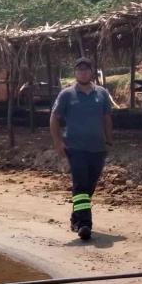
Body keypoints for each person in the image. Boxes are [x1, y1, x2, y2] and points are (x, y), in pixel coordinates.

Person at [50, 57, 113, 240]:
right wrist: (58, 142)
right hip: (75, 148)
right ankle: (84, 224)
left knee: (90, 186)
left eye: (86, 70)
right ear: (75, 73)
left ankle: (76, 216)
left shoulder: (101, 93)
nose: (83, 72)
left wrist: (109, 138)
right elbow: (54, 118)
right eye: (79, 70)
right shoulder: (66, 94)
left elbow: (107, 117)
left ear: (91, 72)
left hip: (98, 148)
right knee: (81, 185)